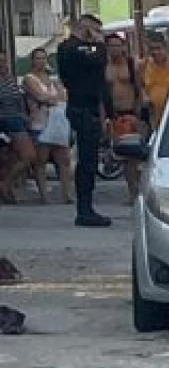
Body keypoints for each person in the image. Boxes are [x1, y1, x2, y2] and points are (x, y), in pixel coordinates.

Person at [56, 15, 113, 226]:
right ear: (87, 29)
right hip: (83, 109)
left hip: (88, 108)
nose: (99, 36)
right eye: (96, 31)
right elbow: (98, 59)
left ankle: (86, 207)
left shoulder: (76, 49)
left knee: (89, 160)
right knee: (87, 162)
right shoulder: (71, 48)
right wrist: (98, 43)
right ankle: (84, 210)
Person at [103, 29, 150, 202]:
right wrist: (105, 118)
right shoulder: (104, 67)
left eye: (117, 46)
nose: (114, 49)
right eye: (110, 46)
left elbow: (139, 89)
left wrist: (138, 114)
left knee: (135, 156)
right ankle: (132, 192)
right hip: (114, 115)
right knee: (124, 156)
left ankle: (139, 191)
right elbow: (103, 94)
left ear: (123, 47)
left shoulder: (131, 65)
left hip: (131, 113)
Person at [21, 47, 72, 202]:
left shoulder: (52, 78)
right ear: (32, 61)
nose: (41, 61)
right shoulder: (29, 78)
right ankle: (44, 195)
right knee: (41, 159)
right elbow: (40, 96)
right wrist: (52, 98)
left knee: (63, 159)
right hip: (40, 123)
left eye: (43, 58)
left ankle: (67, 194)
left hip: (57, 122)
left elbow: (64, 96)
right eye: (38, 58)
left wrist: (52, 98)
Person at [0, 64, 40, 201]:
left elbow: (19, 101)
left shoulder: (10, 80)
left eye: (4, 61)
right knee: (29, 155)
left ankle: (6, 185)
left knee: (13, 157)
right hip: (7, 121)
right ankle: (5, 183)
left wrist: (25, 116)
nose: (2, 65)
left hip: (18, 120)